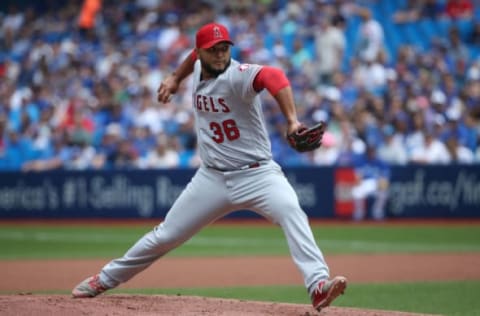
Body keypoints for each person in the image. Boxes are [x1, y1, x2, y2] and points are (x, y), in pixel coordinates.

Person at [71, 22, 347, 312]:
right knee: (166, 235)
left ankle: (317, 285)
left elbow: (273, 75)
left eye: (224, 48)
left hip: (258, 174)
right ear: (200, 52)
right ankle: (104, 279)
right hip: (211, 178)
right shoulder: (198, 66)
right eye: (213, 50)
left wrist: (292, 120)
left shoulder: (237, 76)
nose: (219, 55)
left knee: (292, 212)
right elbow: (192, 58)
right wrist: (176, 78)